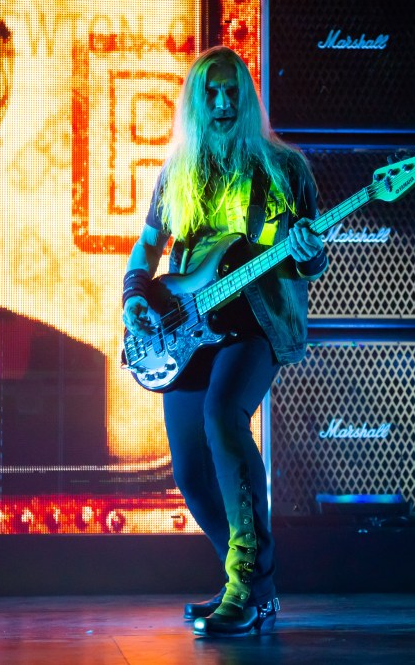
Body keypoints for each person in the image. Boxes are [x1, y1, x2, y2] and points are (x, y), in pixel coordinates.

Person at [121, 45, 328, 637]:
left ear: (247, 98)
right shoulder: (177, 173)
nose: (221, 102)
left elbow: (307, 258)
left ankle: (246, 585)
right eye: (210, 92)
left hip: (255, 322)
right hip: (188, 328)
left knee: (223, 418)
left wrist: (311, 254)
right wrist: (135, 296)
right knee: (190, 470)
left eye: (232, 91)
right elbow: (148, 247)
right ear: (195, 102)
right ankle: (252, 587)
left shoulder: (285, 170)